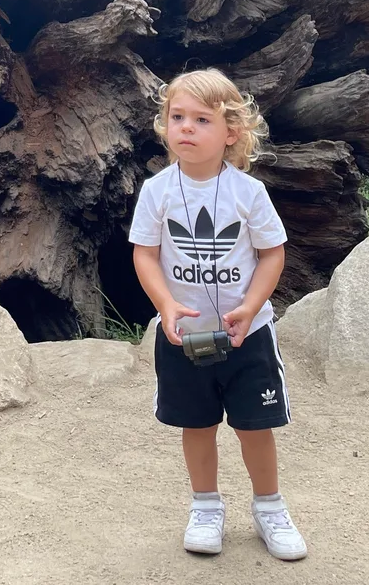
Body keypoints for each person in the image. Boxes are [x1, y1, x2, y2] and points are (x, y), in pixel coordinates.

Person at [128, 67, 307, 560]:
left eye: (201, 119)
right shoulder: (157, 191)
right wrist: (165, 304)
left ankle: (270, 508)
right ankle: (205, 507)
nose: (186, 127)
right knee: (197, 424)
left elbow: (272, 253)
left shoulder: (248, 193)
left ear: (232, 131)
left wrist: (251, 306)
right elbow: (145, 254)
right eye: (177, 117)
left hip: (249, 335)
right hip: (183, 336)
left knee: (255, 425)